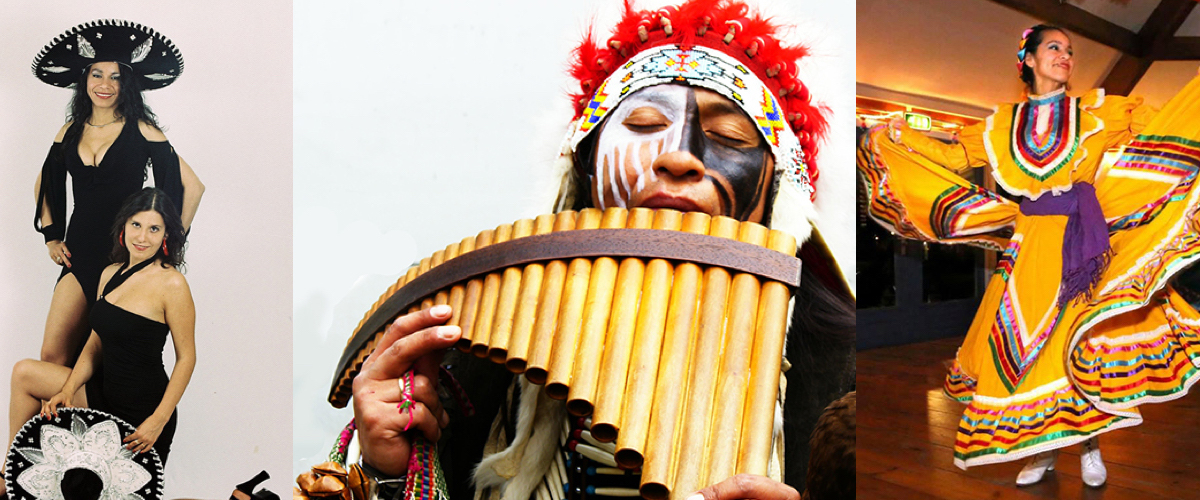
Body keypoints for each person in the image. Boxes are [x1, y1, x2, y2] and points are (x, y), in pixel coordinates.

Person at [307, 1, 856, 498]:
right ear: (583, 174)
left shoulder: (849, 373)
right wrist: (394, 469)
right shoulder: (483, 351)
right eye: (644, 124)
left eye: (733, 137)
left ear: (778, 199)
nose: (678, 156)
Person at [858, 24, 1200, 487]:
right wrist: (897, 136)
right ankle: (1041, 453)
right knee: (1022, 350)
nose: (1065, 57)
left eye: (1070, 51)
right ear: (1031, 61)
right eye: (1054, 48)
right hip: (1028, 247)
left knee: (1073, 345)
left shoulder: (1105, 110)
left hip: (1083, 244)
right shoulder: (1000, 125)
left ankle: (1091, 448)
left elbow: (1167, 129)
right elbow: (953, 154)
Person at [31, 20, 204, 367]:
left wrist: (167, 244)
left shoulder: (142, 130)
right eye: (97, 74)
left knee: (103, 359)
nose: (105, 85)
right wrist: (52, 237)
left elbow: (193, 186)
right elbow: (44, 184)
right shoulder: (70, 130)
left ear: (127, 84)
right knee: (53, 354)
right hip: (78, 251)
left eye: (115, 76)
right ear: (85, 79)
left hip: (123, 254)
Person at [4, 187, 197, 495]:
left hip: (141, 409)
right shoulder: (110, 274)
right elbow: (95, 342)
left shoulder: (172, 283)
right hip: (102, 393)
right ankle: (9, 474)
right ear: (123, 226)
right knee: (25, 373)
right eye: (136, 224)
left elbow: (187, 358)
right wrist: (67, 390)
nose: (142, 237)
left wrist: (158, 420)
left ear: (166, 236)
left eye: (154, 229)